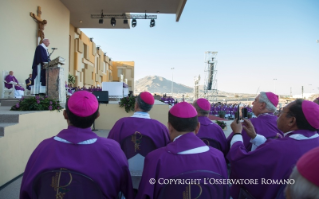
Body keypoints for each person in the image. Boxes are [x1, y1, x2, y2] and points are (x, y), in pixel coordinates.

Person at [20, 91, 133, 199]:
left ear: (65, 115)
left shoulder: (43, 149)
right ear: (97, 115)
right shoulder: (112, 150)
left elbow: (26, 192)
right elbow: (126, 191)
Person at [227, 99, 319, 199]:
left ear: (291, 120)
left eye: (282, 111)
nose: (277, 115)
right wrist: (254, 136)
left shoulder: (278, 147)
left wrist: (237, 134)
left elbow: (240, 162)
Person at [136, 102, 228, 199]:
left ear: (170, 127)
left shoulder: (155, 158)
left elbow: (144, 195)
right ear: (197, 127)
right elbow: (224, 192)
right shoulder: (218, 157)